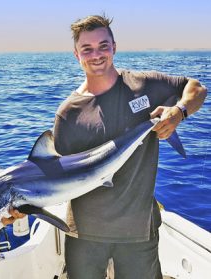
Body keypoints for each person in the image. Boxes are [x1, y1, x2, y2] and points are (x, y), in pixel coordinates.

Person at [51, 15, 207, 279]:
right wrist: (22, 205)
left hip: (138, 230)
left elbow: (196, 88)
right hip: (85, 233)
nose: (96, 54)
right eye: (87, 49)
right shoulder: (68, 114)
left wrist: (179, 112)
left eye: (103, 45)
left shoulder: (144, 84)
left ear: (114, 46)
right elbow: (54, 175)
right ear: (76, 55)